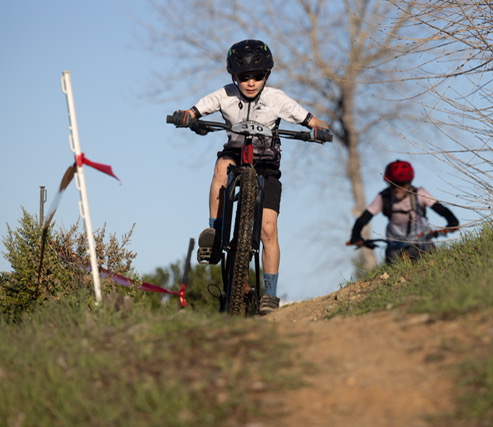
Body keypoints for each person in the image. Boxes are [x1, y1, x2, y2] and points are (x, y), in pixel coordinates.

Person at [171, 39, 329, 314]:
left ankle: (270, 292)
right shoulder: (224, 95)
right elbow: (196, 110)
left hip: (267, 166)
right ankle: (215, 231)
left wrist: (319, 129)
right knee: (221, 166)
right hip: (235, 156)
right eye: (244, 77)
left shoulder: (277, 99)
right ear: (234, 77)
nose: (251, 82)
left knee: (268, 228)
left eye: (257, 76)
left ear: (266, 76)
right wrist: (187, 116)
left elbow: (310, 120)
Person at [349, 160, 459, 263]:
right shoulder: (384, 197)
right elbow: (364, 218)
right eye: (393, 184)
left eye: (402, 185)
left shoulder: (419, 194)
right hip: (395, 246)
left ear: (409, 183)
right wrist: (355, 235)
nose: (397, 188)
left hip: (422, 242)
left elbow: (441, 209)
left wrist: (452, 222)